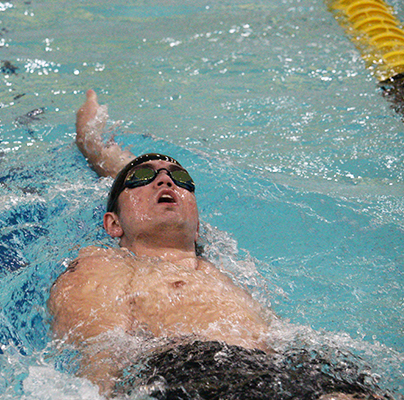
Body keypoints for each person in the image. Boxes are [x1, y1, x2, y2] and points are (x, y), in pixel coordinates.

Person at [47, 90, 384, 399]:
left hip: (292, 366)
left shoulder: (216, 259)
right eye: (142, 178)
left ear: (196, 225)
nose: (165, 180)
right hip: (196, 370)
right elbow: (99, 354)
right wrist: (90, 144)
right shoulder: (105, 265)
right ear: (113, 224)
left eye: (180, 179)